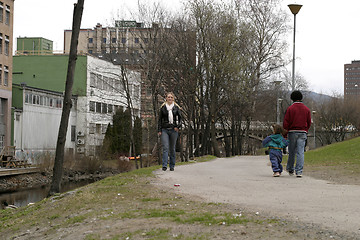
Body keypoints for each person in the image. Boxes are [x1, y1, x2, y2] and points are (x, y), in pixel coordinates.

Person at [283, 90, 311, 177]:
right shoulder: (307, 109)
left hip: (292, 132)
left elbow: (286, 122)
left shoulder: (290, 109)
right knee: (300, 152)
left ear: (292, 99)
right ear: (301, 98)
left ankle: (290, 169)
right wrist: (306, 129)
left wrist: (285, 134)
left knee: (291, 152)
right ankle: (299, 171)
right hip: (302, 132)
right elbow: (309, 122)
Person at [158, 92, 182, 171]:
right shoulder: (163, 108)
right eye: (168, 97)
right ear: (166, 98)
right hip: (165, 129)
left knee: (172, 148)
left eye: (171, 97)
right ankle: (164, 165)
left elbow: (181, 119)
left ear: (173, 99)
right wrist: (159, 130)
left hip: (173, 130)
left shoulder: (176, 108)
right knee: (165, 147)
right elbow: (159, 120)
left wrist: (177, 126)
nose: (170, 99)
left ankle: (172, 165)